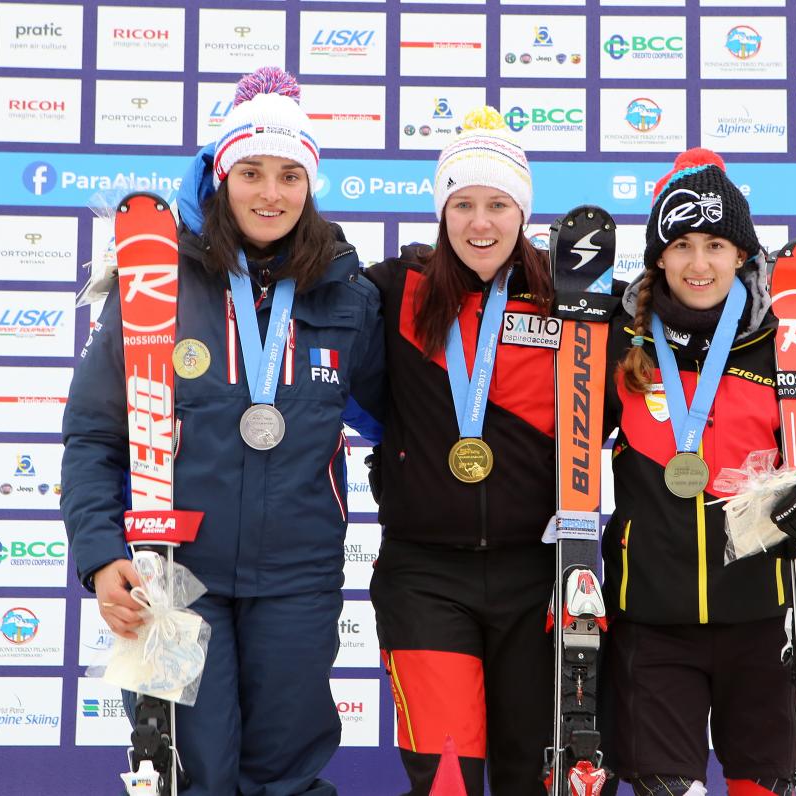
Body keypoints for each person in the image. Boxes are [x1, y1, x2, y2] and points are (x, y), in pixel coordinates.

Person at [61, 66, 385, 796]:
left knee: (286, 773)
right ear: (219, 174)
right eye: (251, 171)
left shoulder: (345, 294)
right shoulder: (156, 284)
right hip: (177, 578)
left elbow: (407, 424)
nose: (270, 193)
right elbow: (93, 436)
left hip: (299, 578)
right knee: (189, 769)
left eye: (289, 176)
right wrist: (102, 553)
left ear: (310, 185)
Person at [601, 148, 796, 796]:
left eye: (717, 245)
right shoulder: (619, 341)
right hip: (651, 624)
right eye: (683, 244)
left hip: (765, 622)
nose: (699, 264)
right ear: (658, 256)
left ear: (744, 255)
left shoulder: (783, 341)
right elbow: (558, 448)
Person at [364, 106, 561, 796]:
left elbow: (675, 336)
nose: (482, 223)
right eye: (465, 203)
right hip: (425, 576)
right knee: (446, 779)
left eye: (499, 204)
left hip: (538, 573)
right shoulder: (393, 292)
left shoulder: (571, 304)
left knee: (534, 775)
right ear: (443, 210)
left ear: (523, 212)